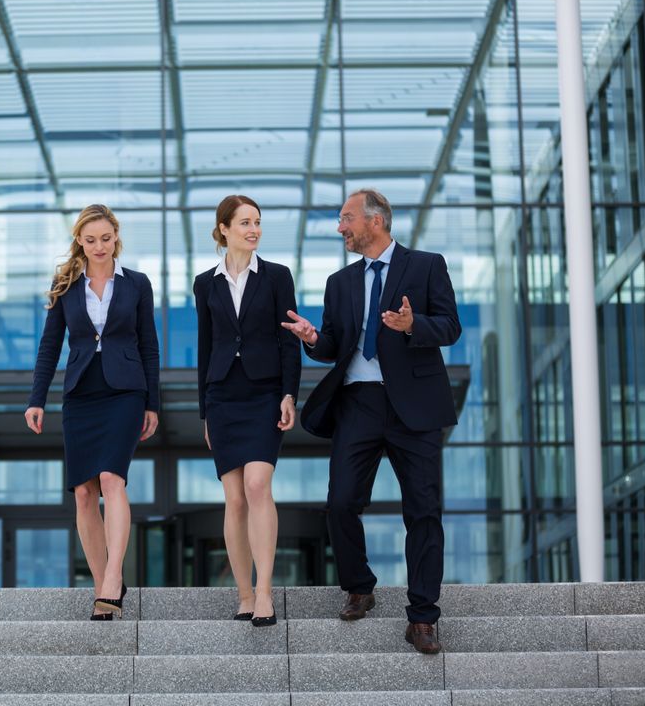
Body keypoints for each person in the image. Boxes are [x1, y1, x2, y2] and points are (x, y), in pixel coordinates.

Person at [282, 188, 461, 654]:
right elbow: (333, 346)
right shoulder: (340, 282)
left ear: (375, 221)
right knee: (340, 503)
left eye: (346, 219)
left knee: (423, 511)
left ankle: (423, 617)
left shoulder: (426, 265)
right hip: (358, 402)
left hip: (414, 407)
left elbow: (449, 326)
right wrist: (312, 337)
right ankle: (359, 586)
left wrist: (412, 325)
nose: (340, 228)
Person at [26, 204, 160, 620]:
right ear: (80, 242)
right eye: (90, 240)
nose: (99, 246)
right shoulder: (65, 285)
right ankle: (104, 588)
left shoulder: (137, 283)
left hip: (124, 392)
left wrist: (152, 402)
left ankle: (114, 577)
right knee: (83, 492)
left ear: (115, 236)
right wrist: (37, 398)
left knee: (110, 480)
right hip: (81, 393)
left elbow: (149, 346)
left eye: (105, 238)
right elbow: (50, 346)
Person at [194, 195, 300, 627]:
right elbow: (205, 347)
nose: (253, 229)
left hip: (263, 394)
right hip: (222, 397)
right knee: (234, 499)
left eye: (257, 222)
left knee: (258, 486)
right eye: (244, 223)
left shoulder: (276, 276)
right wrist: (204, 411)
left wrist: (290, 394)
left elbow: (289, 340)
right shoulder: (206, 283)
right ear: (224, 229)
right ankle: (241, 593)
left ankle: (264, 592)